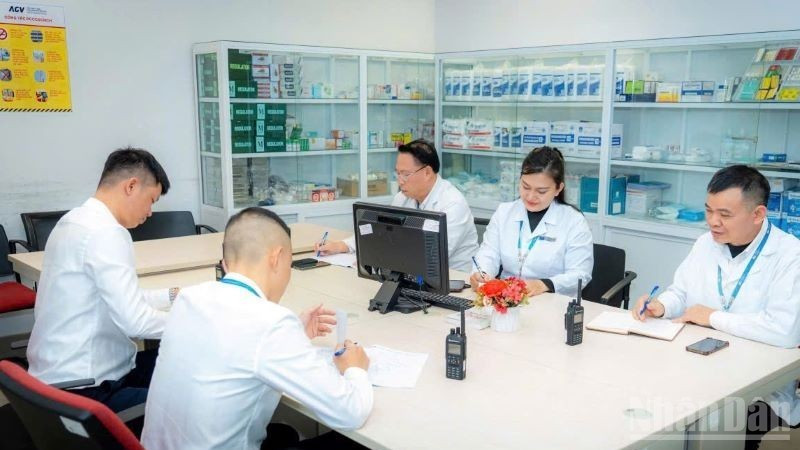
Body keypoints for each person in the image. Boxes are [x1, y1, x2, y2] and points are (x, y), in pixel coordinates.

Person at [141, 207, 373, 450]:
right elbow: (351, 412)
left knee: (281, 433)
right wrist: (355, 369)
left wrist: (295, 333)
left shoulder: (190, 298)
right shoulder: (271, 324)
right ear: (276, 258)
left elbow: (232, 341)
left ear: (226, 262)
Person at [631, 165, 800, 449]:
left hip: (757, 389)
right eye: (709, 210)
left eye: (725, 214)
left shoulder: (789, 256)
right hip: (696, 366)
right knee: (646, 404)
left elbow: (783, 332)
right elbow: (682, 293)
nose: (713, 222)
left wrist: (712, 317)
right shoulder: (705, 244)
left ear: (758, 214)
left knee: (704, 424)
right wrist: (661, 305)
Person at [26, 147, 177, 413]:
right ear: (131, 186)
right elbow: (135, 321)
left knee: (177, 360)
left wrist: (171, 296)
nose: (150, 212)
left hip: (53, 379)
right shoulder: (107, 233)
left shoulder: (73, 221)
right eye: (151, 200)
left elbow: (110, 300)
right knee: (190, 382)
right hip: (88, 389)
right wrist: (195, 321)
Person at [315, 139, 479, 272]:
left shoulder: (452, 204)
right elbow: (380, 231)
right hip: (413, 277)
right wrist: (341, 246)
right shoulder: (403, 198)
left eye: (406, 174)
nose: (400, 180)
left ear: (427, 172)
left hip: (454, 282)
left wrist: (381, 258)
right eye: (397, 173)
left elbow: (432, 256)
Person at [470, 146, 593, 298]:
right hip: (506, 300)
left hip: (552, 302)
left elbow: (581, 274)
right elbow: (488, 253)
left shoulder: (573, 221)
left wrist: (544, 284)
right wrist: (481, 274)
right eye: (525, 187)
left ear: (558, 188)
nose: (530, 196)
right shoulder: (504, 213)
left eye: (541, 191)